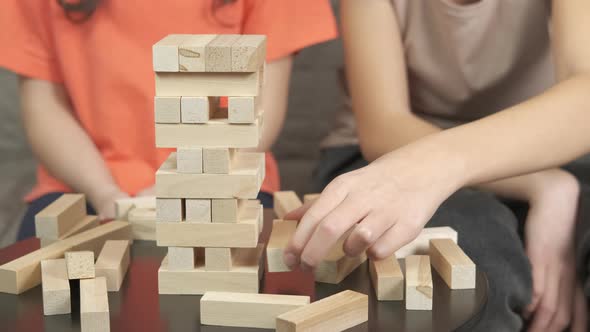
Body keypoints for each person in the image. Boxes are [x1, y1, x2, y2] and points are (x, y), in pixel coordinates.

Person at [284, 1, 589, 331]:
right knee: (472, 278)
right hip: (393, 156)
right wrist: (543, 184)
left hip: (536, 149)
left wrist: (450, 162)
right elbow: (383, 126)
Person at [0, 0, 337, 240]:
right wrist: (104, 192)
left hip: (224, 176)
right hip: (79, 183)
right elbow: (46, 110)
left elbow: (257, 113)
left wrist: (180, 184)